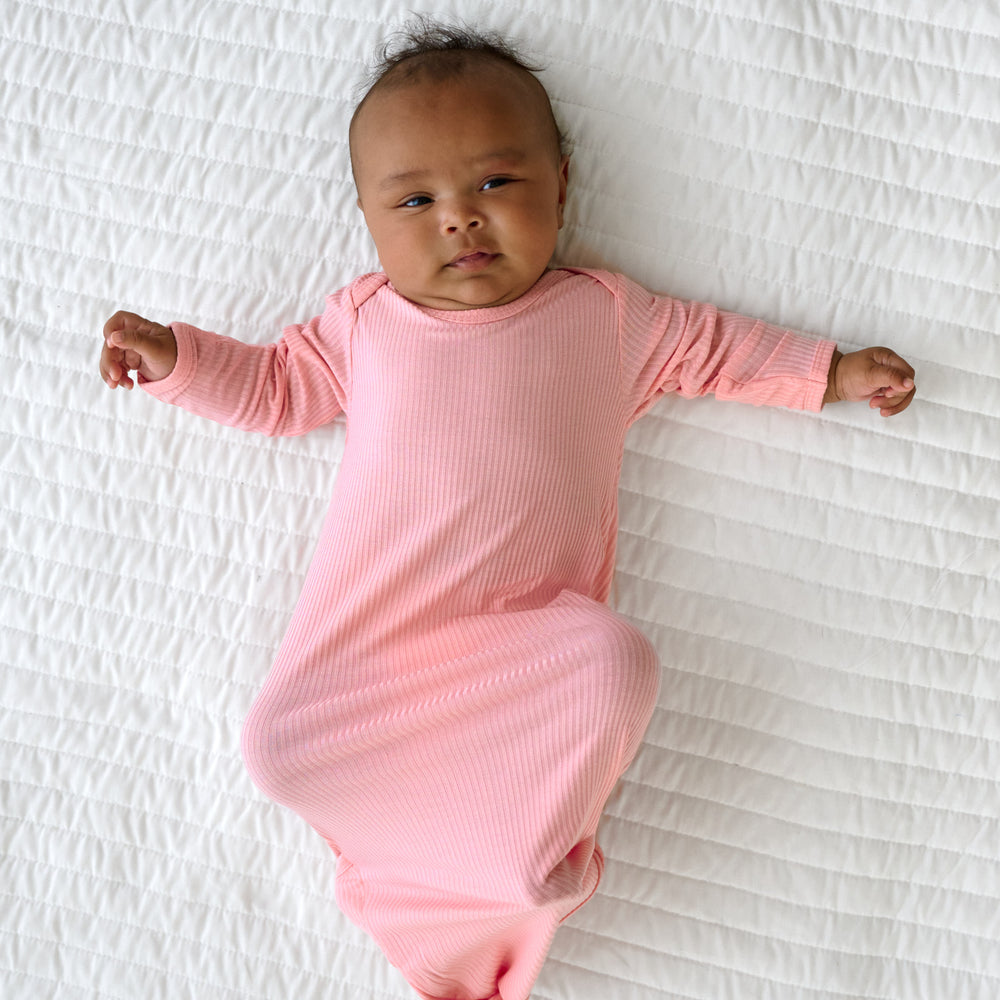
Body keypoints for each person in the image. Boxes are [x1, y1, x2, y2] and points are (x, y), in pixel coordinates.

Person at [98, 19, 916, 1000]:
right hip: (382, 641)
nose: (460, 219)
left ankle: (511, 872)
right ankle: (436, 861)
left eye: (495, 183)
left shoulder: (606, 316)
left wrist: (827, 371)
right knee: (277, 742)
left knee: (616, 664)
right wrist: (176, 361)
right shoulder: (362, 324)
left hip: (526, 649)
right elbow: (276, 392)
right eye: (416, 199)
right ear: (367, 217)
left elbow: (717, 350)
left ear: (560, 183)